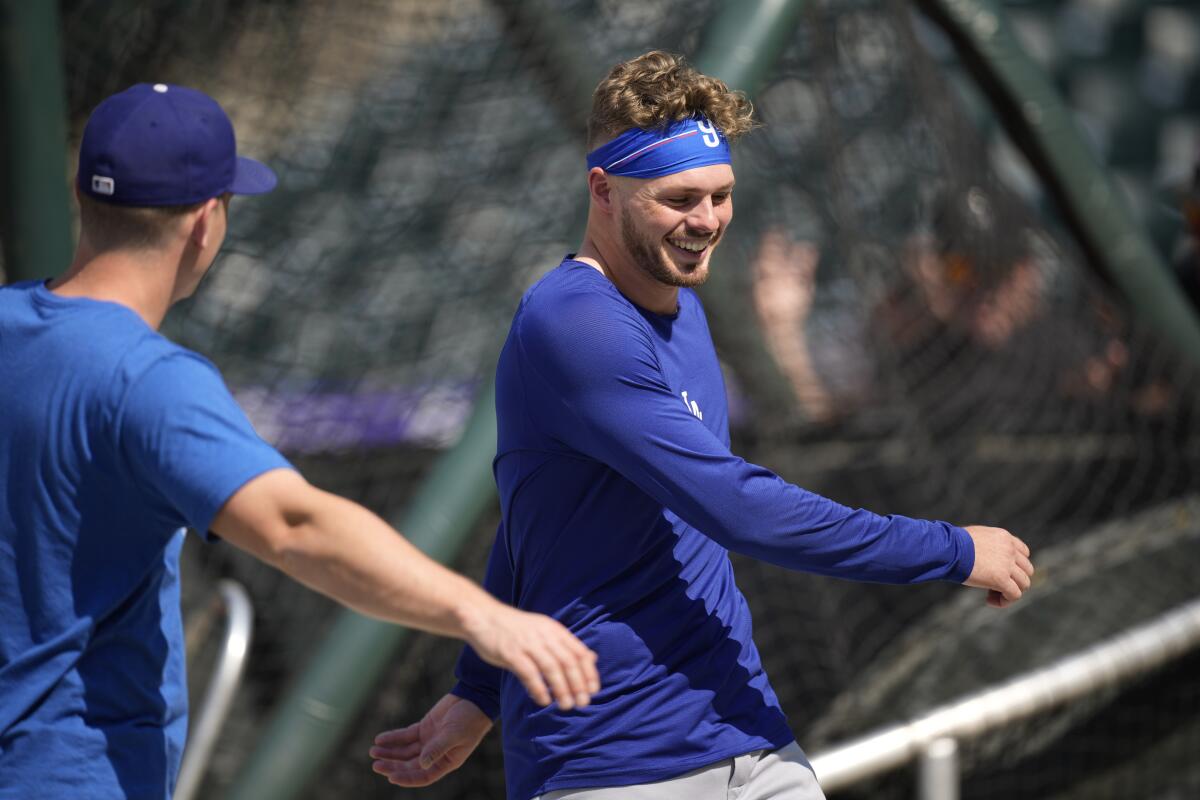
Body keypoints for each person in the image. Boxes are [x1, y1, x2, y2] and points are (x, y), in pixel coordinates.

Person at [370, 51, 1034, 800]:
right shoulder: (575, 325)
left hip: (746, 731)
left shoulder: (680, 303)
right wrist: (950, 549)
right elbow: (740, 509)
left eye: (721, 196)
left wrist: (478, 691)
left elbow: (537, 522)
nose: (708, 221)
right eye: (680, 198)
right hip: (612, 761)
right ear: (603, 190)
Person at [0, 83, 598, 800]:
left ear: (83, 196)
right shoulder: (145, 379)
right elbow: (294, 525)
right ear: (204, 223)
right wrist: (482, 614)